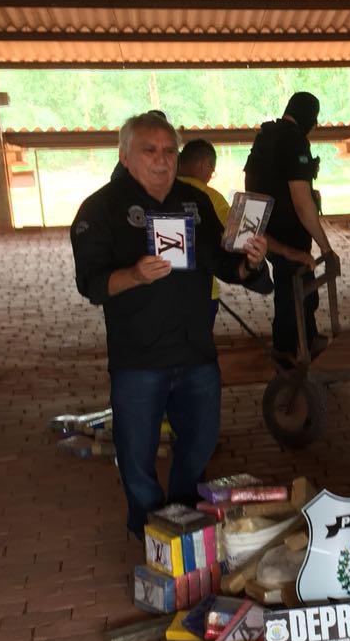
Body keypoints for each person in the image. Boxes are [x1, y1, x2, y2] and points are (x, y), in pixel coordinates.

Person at [70, 112, 272, 537]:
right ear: (126, 157)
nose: (162, 160)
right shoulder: (100, 208)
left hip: (195, 351)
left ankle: (182, 520)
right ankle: (149, 529)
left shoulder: (194, 202)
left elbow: (223, 262)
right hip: (138, 357)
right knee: (137, 453)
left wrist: (250, 262)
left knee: (199, 444)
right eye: (150, 150)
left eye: (169, 151)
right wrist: (135, 275)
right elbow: (91, 284)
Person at [244, 92, 336, 365]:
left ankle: (306, 346)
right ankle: (288, 364)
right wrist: (326, 246)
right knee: (294, 298)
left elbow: (251, 186)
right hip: (289, 233)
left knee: (298, 292)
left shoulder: (265, 136)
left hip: (267, 230)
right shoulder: (294, 141)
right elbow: (301, 202)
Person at [176, 138, 227, 328]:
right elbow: (236, 233)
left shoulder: (159, 191)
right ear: (204, 165)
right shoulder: (211, 197)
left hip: (163, 289)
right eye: (212, 171)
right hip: (203, 290)